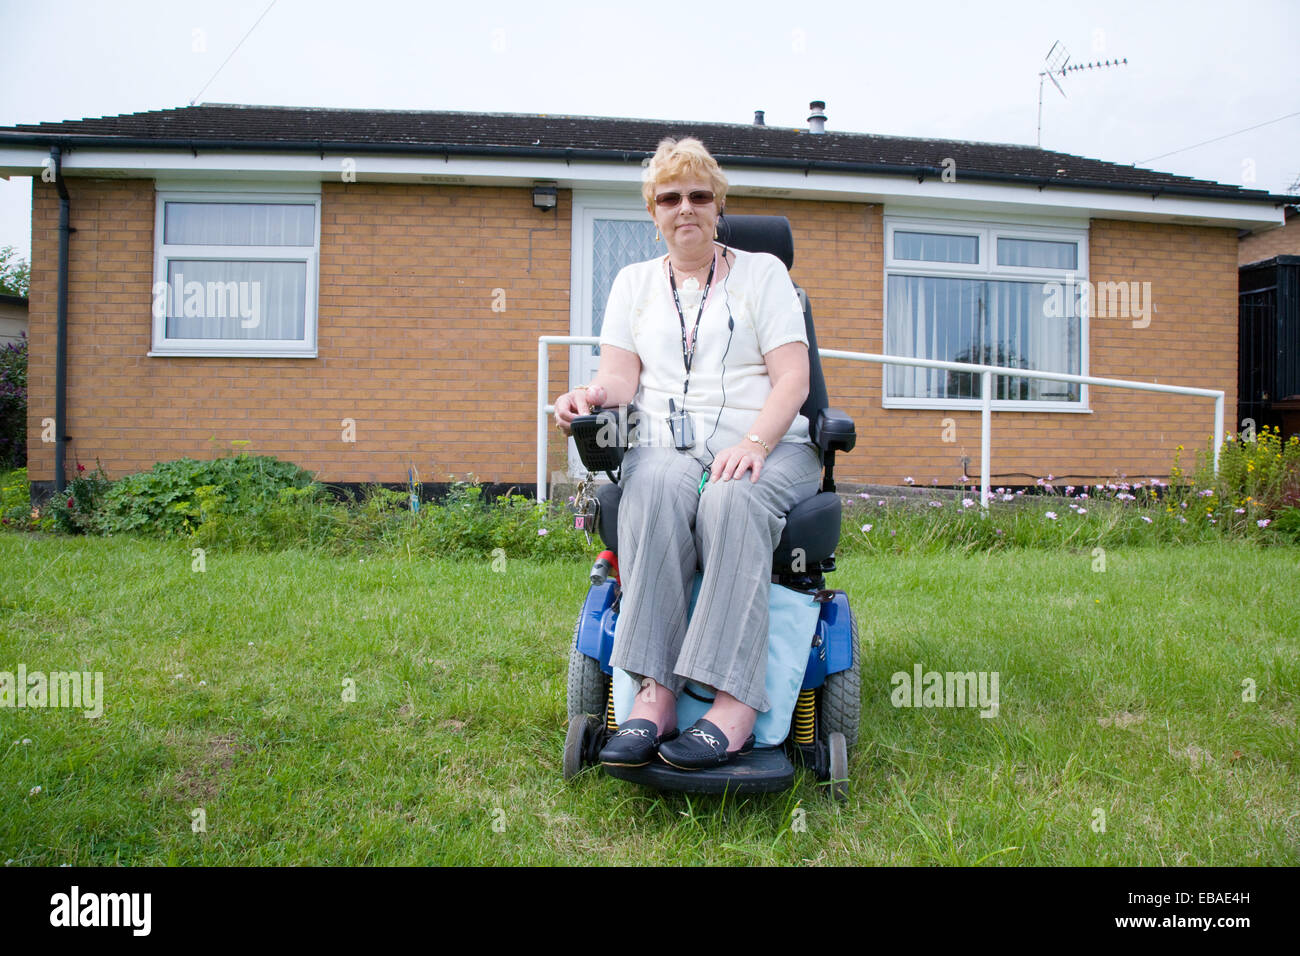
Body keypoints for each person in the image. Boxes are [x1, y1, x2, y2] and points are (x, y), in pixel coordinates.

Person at [554, 137, 822, 770]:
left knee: (730, 496)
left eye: (700, 196)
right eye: (670, 198)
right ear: (654, 212)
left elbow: (794, 379)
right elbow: (619, 382)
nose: (686, 208)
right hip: (669, 446)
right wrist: (588, 396)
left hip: (770, 443)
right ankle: (655, 695)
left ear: (718, 205)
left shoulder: (764, 275)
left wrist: (754, 442)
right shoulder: (633, 284)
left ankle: (734, 707)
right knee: (652, 485)